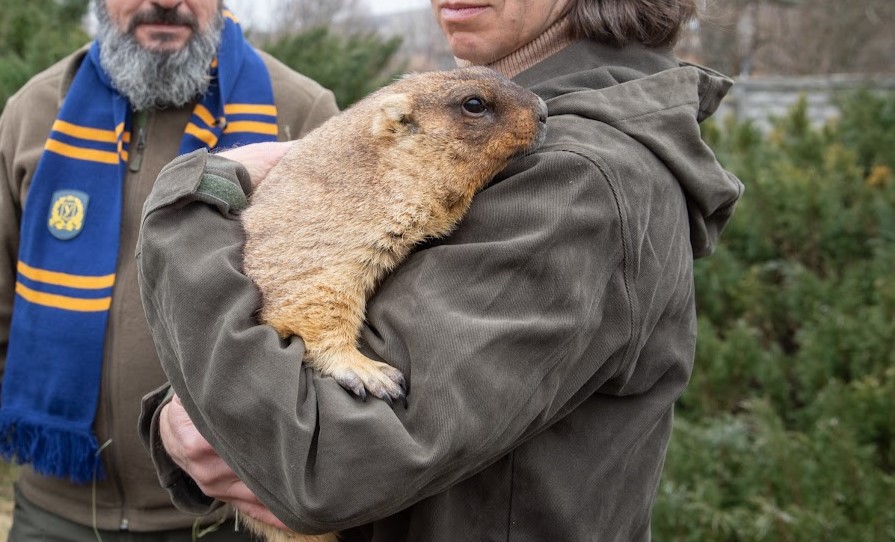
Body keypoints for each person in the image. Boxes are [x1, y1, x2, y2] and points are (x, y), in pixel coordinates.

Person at [137, 0, 744, 540]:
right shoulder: (472, 126)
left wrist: (192, 199)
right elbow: (312, 319)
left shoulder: (578, 182)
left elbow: (319, 462)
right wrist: (182, 421)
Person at [0, 0, 339, 539]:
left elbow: (346, 313)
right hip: (52, 511)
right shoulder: (33, 112)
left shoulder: (298, 113)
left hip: (232, 515)